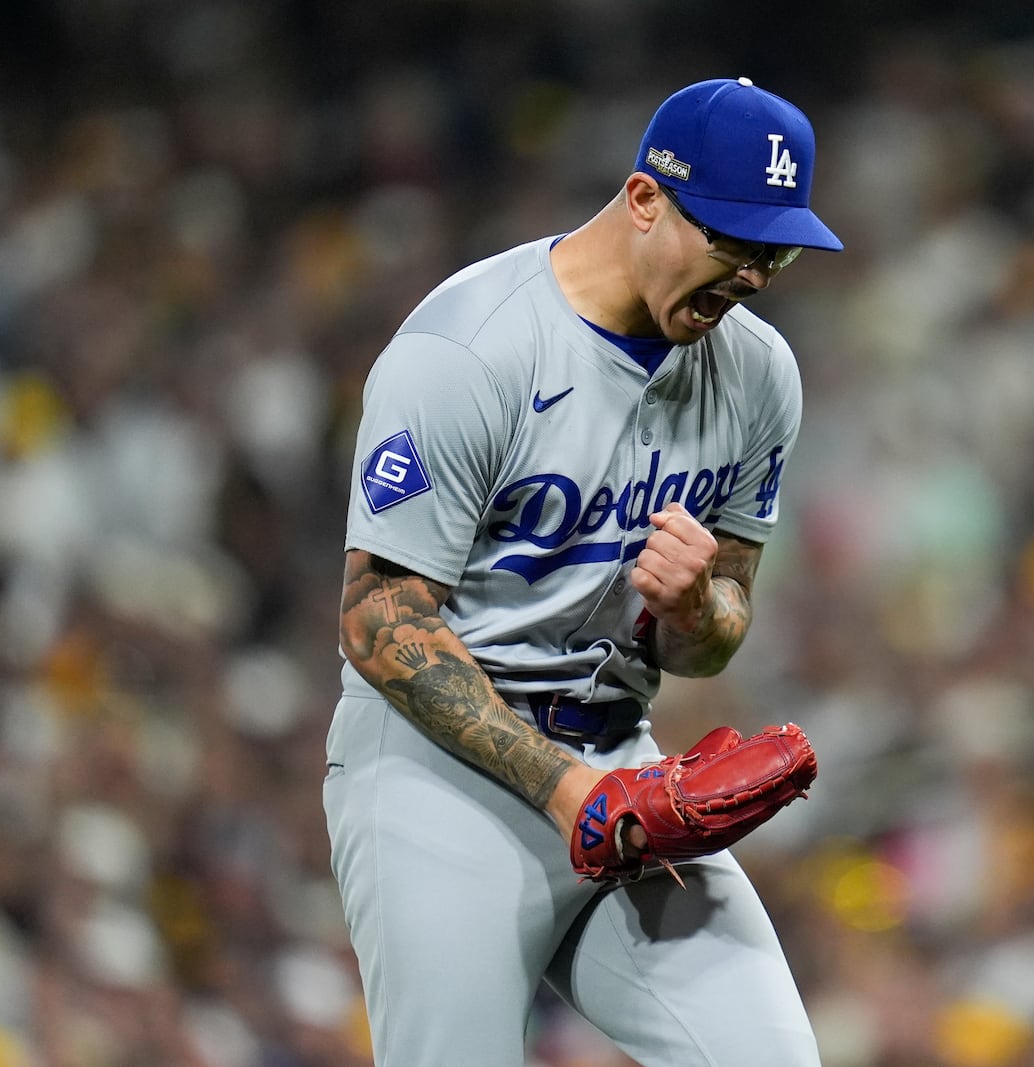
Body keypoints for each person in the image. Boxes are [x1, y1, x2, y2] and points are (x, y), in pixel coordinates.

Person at [323, 77, 842, 1066]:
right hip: (437, 781)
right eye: (732, 241)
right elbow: (376, 613)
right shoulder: (469, 349)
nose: (756, 274)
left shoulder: (758, 372)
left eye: (776, 250)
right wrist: (569, 791)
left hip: (617, 755)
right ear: (645, 198)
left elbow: (711, 637)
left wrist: (697, 604)